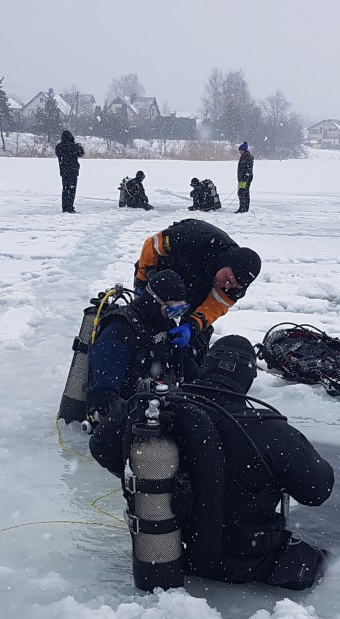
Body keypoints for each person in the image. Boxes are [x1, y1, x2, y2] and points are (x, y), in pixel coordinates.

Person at [90, 334, 335, 590]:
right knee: (332, 566)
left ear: (206, 365)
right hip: (244, 565)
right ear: (248, 379)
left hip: (165, 551)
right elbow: (317, 491)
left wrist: (154, 485)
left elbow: (100, 446)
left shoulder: (156, 409)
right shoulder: (268, 430)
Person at [133, 218, 261, 355]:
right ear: (226, 263)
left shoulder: (236, 287)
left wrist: (193, 326)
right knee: (148, 319)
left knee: (193, 342)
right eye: (228, 278)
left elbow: (213, 308)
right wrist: (143, 282)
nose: (227, 285)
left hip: (199, 286)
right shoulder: (196, 237)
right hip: (166, 270)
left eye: (234, 285)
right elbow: (152, 245)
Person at [86, 270, 197, 421]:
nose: (175, 318)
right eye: (172, 311)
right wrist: (139, 415)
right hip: (126, 414)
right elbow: (103, 396)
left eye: (181, 311)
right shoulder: (118, 334)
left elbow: (188, 369)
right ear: (155, 302)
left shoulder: (165, 324)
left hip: (157, 403)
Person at [55, 130, 84, 213]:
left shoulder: (59, 146)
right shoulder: (73, 147)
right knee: (72, 189)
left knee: (65, 188)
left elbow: (58, 153)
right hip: (73, 170)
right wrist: (75, 144)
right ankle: (70, 207)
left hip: (63, 170)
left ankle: (65, 207)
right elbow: (81, 153)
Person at [235, 141, 254, 213]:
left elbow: (246, 168)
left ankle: (243, 208)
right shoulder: (245, 156)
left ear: (243, 150)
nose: (239, 152)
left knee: (242, 193)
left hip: (245, 178)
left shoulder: (247, 157)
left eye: (240, 150)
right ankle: (243, 208)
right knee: (244, 192)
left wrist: (243, 177)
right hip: (244, 178)